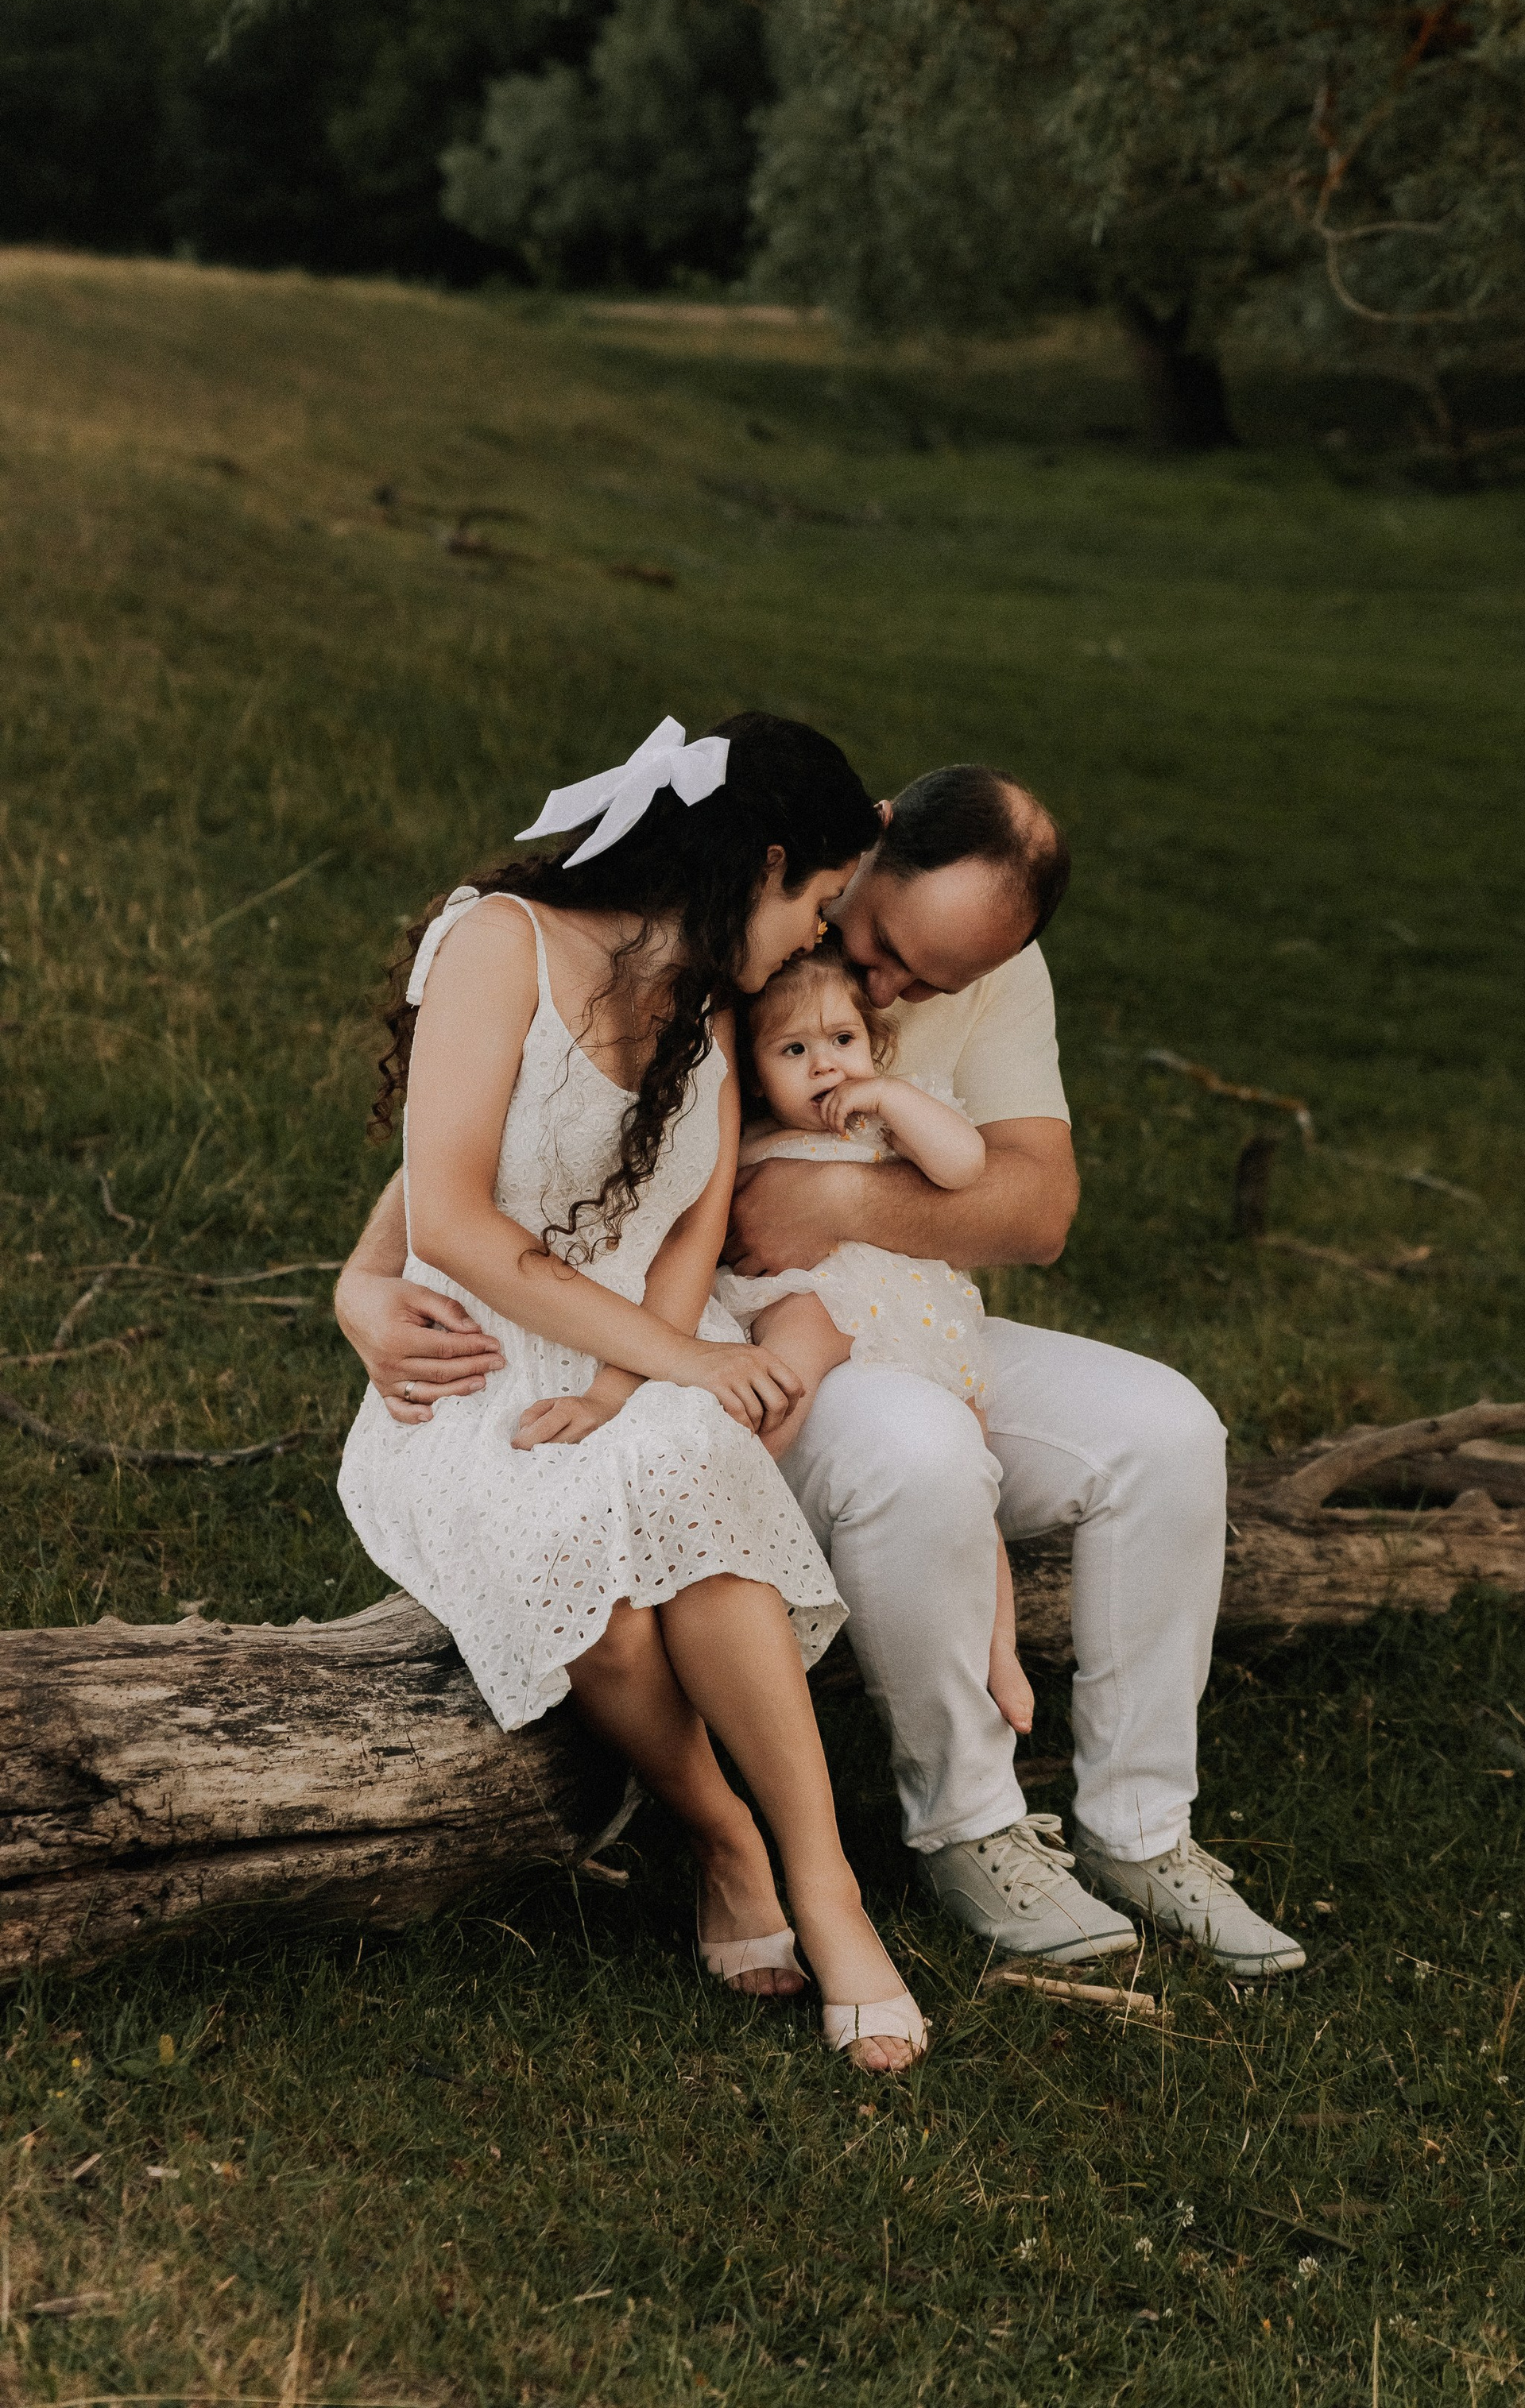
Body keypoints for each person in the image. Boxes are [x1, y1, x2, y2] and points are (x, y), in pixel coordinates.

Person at [337, 760, 1303, 1978]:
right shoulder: (750, 915)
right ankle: (971, 1826)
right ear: (869, 850)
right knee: (916, 1446)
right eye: (883, 942)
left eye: (931, 981)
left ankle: (1143, 1827)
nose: (888, 985)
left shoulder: (982, 965)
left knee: (1168, 1430)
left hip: (908, 1316)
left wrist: (837, 1200)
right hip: (738, 1339)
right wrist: (363, 1280)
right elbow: (517, 1117)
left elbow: (1041, 1210)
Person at [335, 709, 926, 2070]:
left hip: (628, 1348)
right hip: (473, 1369)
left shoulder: (710, 1001)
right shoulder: (498, 946)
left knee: (683, 1473)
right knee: (592, 1591)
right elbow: (462, 1218)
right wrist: (360, 1291)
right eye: (820, 902)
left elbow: (687, 1229)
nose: (814, 939)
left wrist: (630, 1381)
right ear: (763, 860)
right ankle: (721, 1835)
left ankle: (826, 1888)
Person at [714, 943, 1035, 1738]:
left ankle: (1002, 1656)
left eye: (843, 1043)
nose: (826, 1065)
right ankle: (739, 1526)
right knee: (777, 1380)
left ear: (876, 1045)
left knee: (972, 1486)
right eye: (794, 1050)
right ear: (756, 1074)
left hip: (911, 1316)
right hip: (808, 1297)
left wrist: (889, 1097)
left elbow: (964, 1167)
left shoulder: (894, 1117)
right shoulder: (743, 1133)